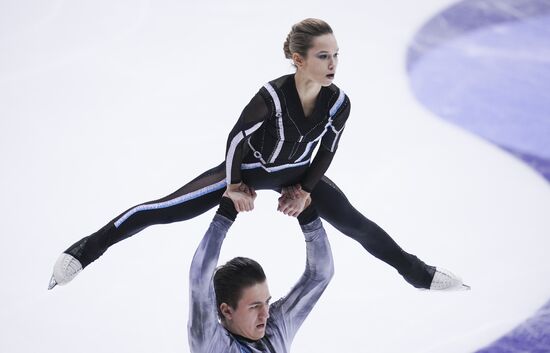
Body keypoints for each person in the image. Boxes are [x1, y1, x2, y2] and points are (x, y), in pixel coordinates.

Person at [48, 18, 468, 291]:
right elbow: (235, 140)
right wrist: (233, 185)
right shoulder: (270, 97)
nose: (333, 63)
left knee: (359, 225)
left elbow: (328, 151)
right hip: (246, 170)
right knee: (162, 209)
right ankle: (83, 251)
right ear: (298, 59)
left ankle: (419, 274)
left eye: (336, 54)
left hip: (301, 173)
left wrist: (304, 190)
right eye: (323, 56)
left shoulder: (339, 103)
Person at [188, 195, 333, 353]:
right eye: (255, 306)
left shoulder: (276, 329)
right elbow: (200, 277)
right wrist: (226, 211)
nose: (265, 315)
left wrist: (306, 211)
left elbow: (321, 274)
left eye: (267, 302)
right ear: (227, 311)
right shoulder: (212, 345)